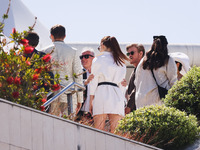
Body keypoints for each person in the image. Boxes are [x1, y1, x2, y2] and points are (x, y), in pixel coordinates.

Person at [89, 36, 129, 133]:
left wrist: (91, 100)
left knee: (99, 131)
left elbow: (93, 81)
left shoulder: (98, 59)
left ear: (102, 45)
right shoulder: (121, 62)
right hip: (117, 95)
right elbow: (122, 85)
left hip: (101, 93)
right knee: (116, 133)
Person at [42, 24, 83, 116]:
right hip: (69, 92)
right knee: (69, 122)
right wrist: (80, 99)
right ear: (65, 36)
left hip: (50, 94)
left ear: (51, 36)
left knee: (50, 123)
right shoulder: (73, 51)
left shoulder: (44, 51)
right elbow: (78, 75)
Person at [134, 35, 177, 109]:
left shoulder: (143, 61)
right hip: (158, 100)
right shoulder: (168, 60)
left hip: (141, 100)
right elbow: (173, 82)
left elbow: (136, 81)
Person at [124, 44, 145, 114]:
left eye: (132, 53)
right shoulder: (136, 69)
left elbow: (137, 88)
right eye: (128, 53)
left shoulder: (143, 68)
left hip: (138, 109)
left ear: (140, 53)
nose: (130, 55)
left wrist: (129, 106)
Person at [78, 48, 95, 117]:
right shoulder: (78, 73)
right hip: (80, 112)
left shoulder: (99, 73)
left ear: (93, 58)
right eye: (81, 57)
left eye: (86, 56)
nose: (83, 59)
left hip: (96, 112)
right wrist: (85, 82)